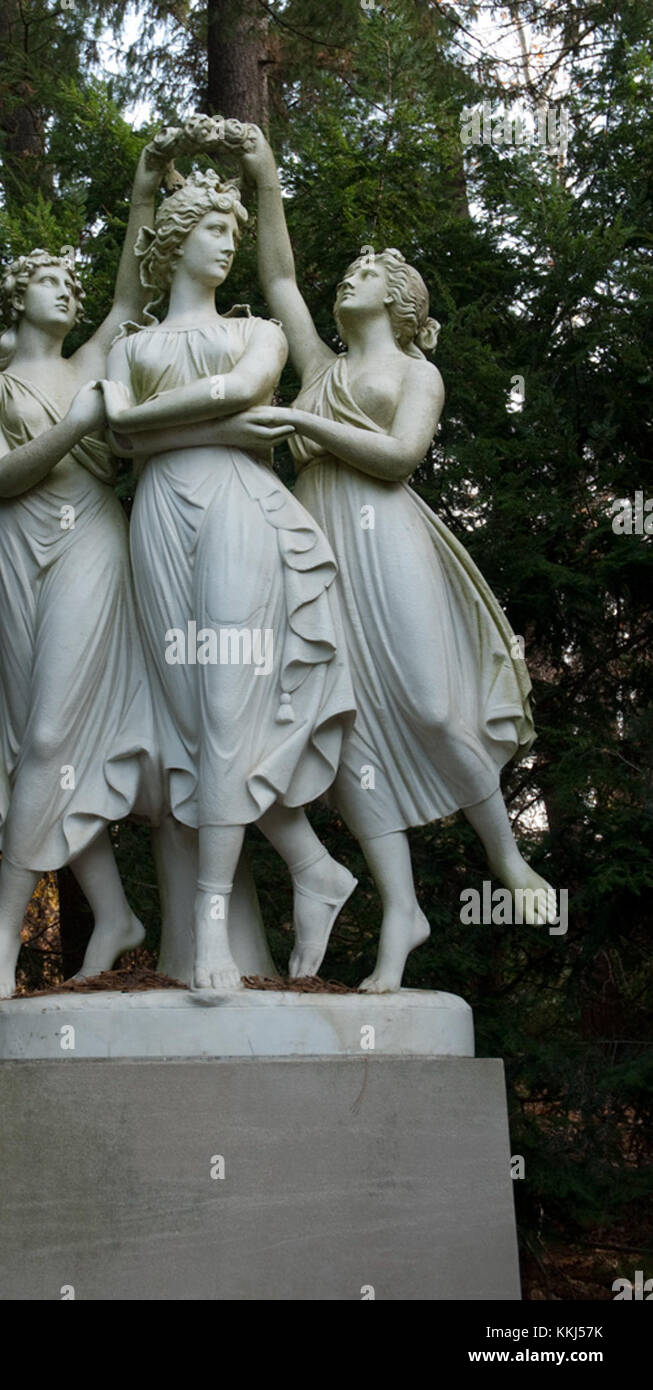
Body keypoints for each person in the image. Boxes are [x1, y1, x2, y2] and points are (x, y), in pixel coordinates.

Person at [242, 129, 555, 992]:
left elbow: (395, 458)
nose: (347, 280)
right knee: (343, 737)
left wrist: (303, 424)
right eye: (344, 274)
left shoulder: (415, 373)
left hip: (388, 537)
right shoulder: (318, 363)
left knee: (424, 699)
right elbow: (275, 279)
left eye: (366, 274)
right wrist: (267, 176)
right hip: (311, 550)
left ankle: (507, 858)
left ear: (402, 300)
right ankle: (399, 912)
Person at [100, 168, 358, 992]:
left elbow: (240, 395)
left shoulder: (259, 336)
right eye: (214, 230)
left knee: (220, 708)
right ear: (175, 240)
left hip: (238, 509)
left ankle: (212, 933)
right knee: (188, 723)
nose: (228, 246)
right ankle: (313, 868)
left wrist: (141, 421)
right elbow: (119, 445)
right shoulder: (130, 346)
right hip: (156, 519)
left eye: (235, 234)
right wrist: (184, 425)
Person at [0, 148, 169, 1000]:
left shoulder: (88, 363)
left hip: (87, 542)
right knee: (41, 738)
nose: (69, 295)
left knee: (44, 737)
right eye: (52, 285)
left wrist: (144, 192)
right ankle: (112, 914)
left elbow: (127, 298)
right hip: (13, 546)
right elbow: (1, 477)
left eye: (72, 287)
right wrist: (76, 423)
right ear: (17, 298)